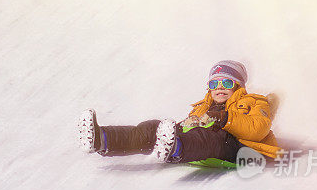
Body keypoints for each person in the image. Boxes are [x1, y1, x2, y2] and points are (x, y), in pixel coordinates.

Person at [77, 60, 281, 165]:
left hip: (242, 149)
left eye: (226, 82)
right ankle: (102, 139)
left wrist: (225, 118)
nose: (220, 87)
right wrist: (183, 126)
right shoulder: (202, 105)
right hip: (210, 142)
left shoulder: (254, 102)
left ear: (238, 86)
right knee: (153, 127)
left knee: (211, 138)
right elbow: (187, 126)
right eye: (214, 83)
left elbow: (257, 130)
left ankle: (176, 148)